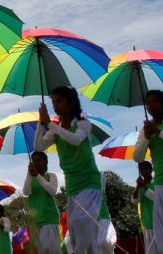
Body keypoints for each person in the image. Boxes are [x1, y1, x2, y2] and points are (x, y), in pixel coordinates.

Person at [35, 86, 102, 254]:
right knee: (75, 231)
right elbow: (38, 146)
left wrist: (50, 123)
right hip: (72, 186)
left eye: (59, 101)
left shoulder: (83, 123)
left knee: (81, 223)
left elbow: (76, 140)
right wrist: (40, 122)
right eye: (53, 102)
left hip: (89, 182)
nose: (55, 105)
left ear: (71, 102)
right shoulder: (54, 130)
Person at [134, 89, 163, 253]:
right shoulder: (145, 131)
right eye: (148, 102)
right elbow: (137, 157)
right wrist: (146, 136)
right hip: (161, 186)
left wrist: (158, 132)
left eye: (155, 101)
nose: (151, 105)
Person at [23, 151, 61, 254]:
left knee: (52, 250)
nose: (36, 163)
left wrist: (38, 176)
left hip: (49, 218)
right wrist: (29, 174)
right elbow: (26, 192)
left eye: (39, 160)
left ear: (46, 162)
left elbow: (52, 190)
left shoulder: (51, 176)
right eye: (34, 160)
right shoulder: (30, 178)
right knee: (42, 251)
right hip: (35, 220)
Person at [130, 160, 155, 254]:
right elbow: (134, 200)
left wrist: (144, 186)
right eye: (140, 169)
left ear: (150, 170)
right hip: (147, 224)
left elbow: (156, 198)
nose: (142, 171)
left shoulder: (156, 182)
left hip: (159, 222)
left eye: (144, 168)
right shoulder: (140, 186)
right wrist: (137, 186)